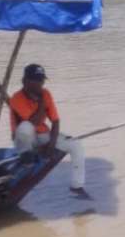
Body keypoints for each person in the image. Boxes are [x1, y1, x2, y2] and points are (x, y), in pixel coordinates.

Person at [9, 64, 87, 197]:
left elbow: (55, 121)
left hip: (43, 135)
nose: (41, 84)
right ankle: (27, 158)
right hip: (25, 140)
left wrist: (51, 145)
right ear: (25, 81)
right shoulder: (16, 98)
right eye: (37, 80)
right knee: (25, 127)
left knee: (76, 144)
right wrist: (41, 103)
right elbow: (35, 122)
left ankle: (77, 186)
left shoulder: (46, 94)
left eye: (42, 80)